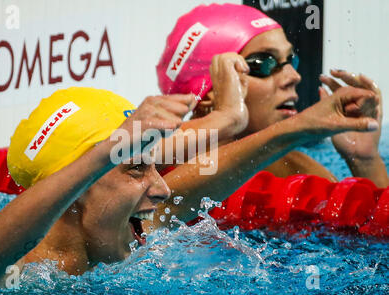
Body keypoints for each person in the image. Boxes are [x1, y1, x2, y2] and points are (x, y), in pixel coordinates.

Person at [0, 82, 378, 288]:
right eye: (136, 169)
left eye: (154, 167)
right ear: (77, 185)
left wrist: (301, 127)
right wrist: (108, 151)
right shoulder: (26, 278)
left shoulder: (129, 230)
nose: (162, 189)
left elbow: (196, 184)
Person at [156, 3, 388, 188]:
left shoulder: (297, 169)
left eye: (290, 61)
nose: (294, 76)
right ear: (207, 94)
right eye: (264, 63)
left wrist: (365, 159)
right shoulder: (153, 165)